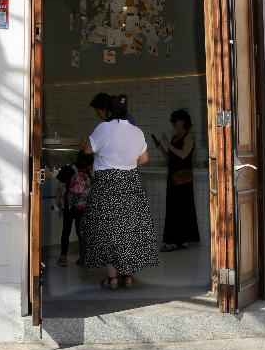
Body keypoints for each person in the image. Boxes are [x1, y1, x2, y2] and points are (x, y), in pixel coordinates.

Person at [79, 95, 158, 290]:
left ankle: (112, 278)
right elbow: (144, 158)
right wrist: (126, 164)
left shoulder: (103, 128)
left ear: (108, 112)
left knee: (107, 230)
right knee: (127, 229)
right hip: (130, 183)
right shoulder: (137, 131)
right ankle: (128, 276)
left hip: (106, 183)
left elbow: (87, 150)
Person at [154, 109, 200, 251]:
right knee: (174, 209)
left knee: (181, 209)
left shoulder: (189, 136)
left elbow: (183, 155)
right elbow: (170, 159)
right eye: (172, 120)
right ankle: (181, 240)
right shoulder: (174, 138)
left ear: (183, 121)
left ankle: (173, 241)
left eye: (175, 120)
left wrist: (168, 145)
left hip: (183, 179)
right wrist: (162, 147)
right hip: (173, 177)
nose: (173, 123)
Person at [54, 150, 95, 267]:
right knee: (80, 231)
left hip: (69, 205)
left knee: (66, 229)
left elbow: (60, 189)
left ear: (76, 157)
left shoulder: (67, 169)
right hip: (82, 206)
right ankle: (83, 257)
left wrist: (58, 202)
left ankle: (63, 257)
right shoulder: (87, 172)